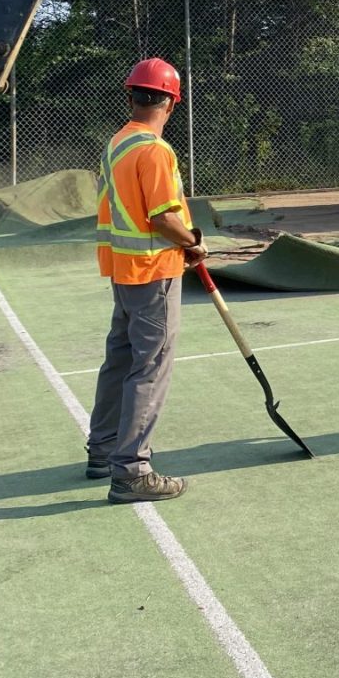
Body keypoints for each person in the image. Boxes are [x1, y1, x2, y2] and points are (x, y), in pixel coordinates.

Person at [85, 58, 204, 503]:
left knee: (120, 359)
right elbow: (163, 217)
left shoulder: (117, 143)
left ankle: (102, 450)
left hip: (124, 271)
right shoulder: (154, 150)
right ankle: (132, 469)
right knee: (149, 366)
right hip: (153, 272)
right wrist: (194, 241)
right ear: (172, 102)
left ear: (131, 96)